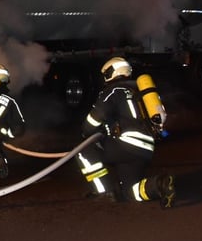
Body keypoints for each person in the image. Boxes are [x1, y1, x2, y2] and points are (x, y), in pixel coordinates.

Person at [75, 56, 175, 207]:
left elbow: (93, 121)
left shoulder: (113, 90)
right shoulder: (140, 89)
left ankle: (104, 192)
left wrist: (86, 132)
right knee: (130, 192)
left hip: (126, 144)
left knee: (83, 149)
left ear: (111, 72)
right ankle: (159, 184)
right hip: (145, 148)